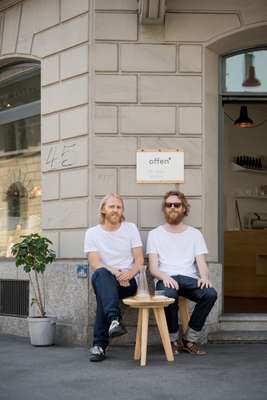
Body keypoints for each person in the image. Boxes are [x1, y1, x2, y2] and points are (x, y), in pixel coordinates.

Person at [147, 190, 217, 355]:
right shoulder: (154, 234)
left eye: (176, 205)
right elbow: (153, 268)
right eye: (168, 205)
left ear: (184, 208)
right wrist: (165, 277)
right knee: (168, 295)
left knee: (210, 294)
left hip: (189, 278)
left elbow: (201, 262)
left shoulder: (195, 234)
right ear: (164, 209)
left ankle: (189, 339)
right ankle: (172, 340)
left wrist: (205, 277)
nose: (172, 207)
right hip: (166, 277)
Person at [84, 193, 144, 362]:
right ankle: (114, 320)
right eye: (111, 206)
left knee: (105, 295)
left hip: (128, 281)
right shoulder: (92, 233)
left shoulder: (130, 228)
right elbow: (95, 263)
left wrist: (129, 273)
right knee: (102, 275)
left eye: (119, 207)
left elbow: (139, 260)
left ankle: (99, 345)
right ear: (103, 209)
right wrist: (116, 273)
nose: (115, 210)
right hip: (107, 276)